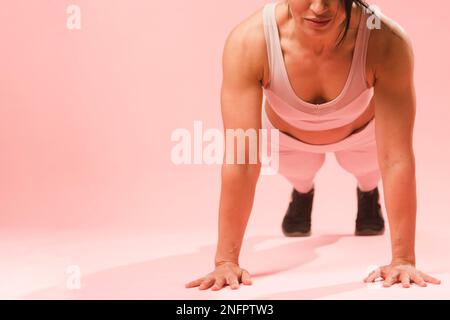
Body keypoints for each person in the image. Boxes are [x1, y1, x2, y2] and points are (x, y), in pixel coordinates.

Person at [185, 0, 441, 291]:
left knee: (366, 170)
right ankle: (302, 192)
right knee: (300, 172)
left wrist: (403, 259)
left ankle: (368, 193)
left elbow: (395, 158)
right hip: (288, 139)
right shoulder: (249, 41)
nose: (320, 8)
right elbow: (242, 159)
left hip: (360, 135)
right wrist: (225, 262)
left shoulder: (385, 40)